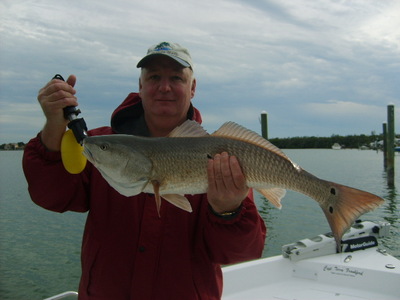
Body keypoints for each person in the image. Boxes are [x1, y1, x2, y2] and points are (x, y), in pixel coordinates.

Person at [23, 42, 266, 300]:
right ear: (140, 86)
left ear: (192, 88)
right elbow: (50, 196)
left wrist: (229, 210)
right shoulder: (100, 146)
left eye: (176, 78)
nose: (164, 87)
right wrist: (53, 126)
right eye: (153, 77)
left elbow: (242, 253)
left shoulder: (221, 157)